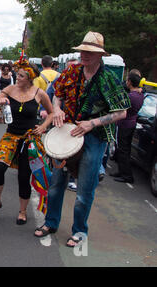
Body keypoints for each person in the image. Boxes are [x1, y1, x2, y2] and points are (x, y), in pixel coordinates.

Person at [34, 31, 130, 247]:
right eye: (83, 51)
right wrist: (57, 109)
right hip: (67, 130)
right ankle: (50, 223)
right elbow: (57, 93)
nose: (84, 55)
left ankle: (79, 231)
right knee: (56, 184)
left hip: (94, 136)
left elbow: (122, 112)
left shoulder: (109, 80)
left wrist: (92, 123)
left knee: (84, 190)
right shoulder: (72, 71)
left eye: (90, 52)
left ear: (100, 56)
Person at [0, 57, 53, 225]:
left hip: (29, 139)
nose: (17, 78)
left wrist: (43, 126)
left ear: (30, 78)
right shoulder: (10, 89)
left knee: (24, 176)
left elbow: (51, 113)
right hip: (10, 136)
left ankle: (22, 211)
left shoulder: (39, 93)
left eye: (21, 76)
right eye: (17, 75)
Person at [109, 72, 144, 183]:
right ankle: (122, 171)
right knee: (124, 149)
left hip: (125, 124)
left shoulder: (130, 97)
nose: (126, 82)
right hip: (131, 123)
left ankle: (126, 175)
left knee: (123, 150)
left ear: (130, 82)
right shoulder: (139, 95)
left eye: (127, 80)